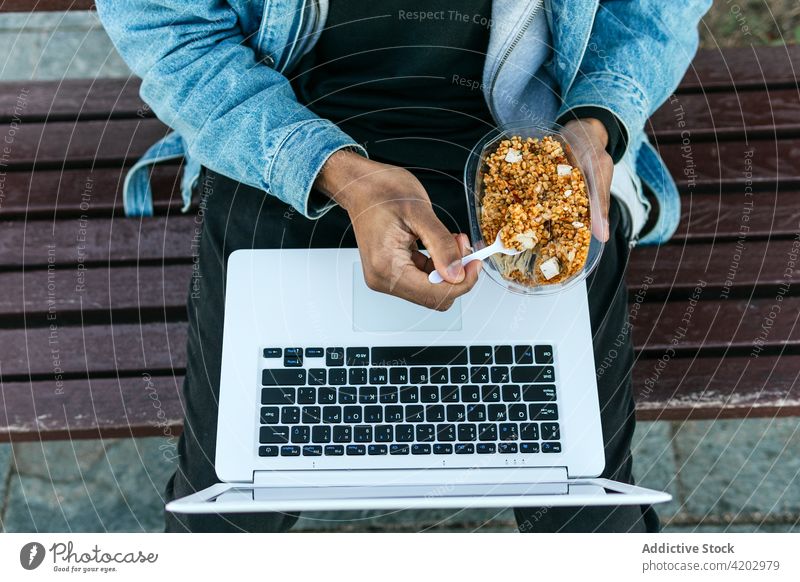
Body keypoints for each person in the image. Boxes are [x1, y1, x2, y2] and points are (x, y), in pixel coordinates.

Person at [97, 0, 711, 532]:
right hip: (280, 137)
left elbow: (651, 14)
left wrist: (597, 120)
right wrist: (341, 174)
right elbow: (172, 32)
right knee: (226, 518)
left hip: (524, 136)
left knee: (586, 516)